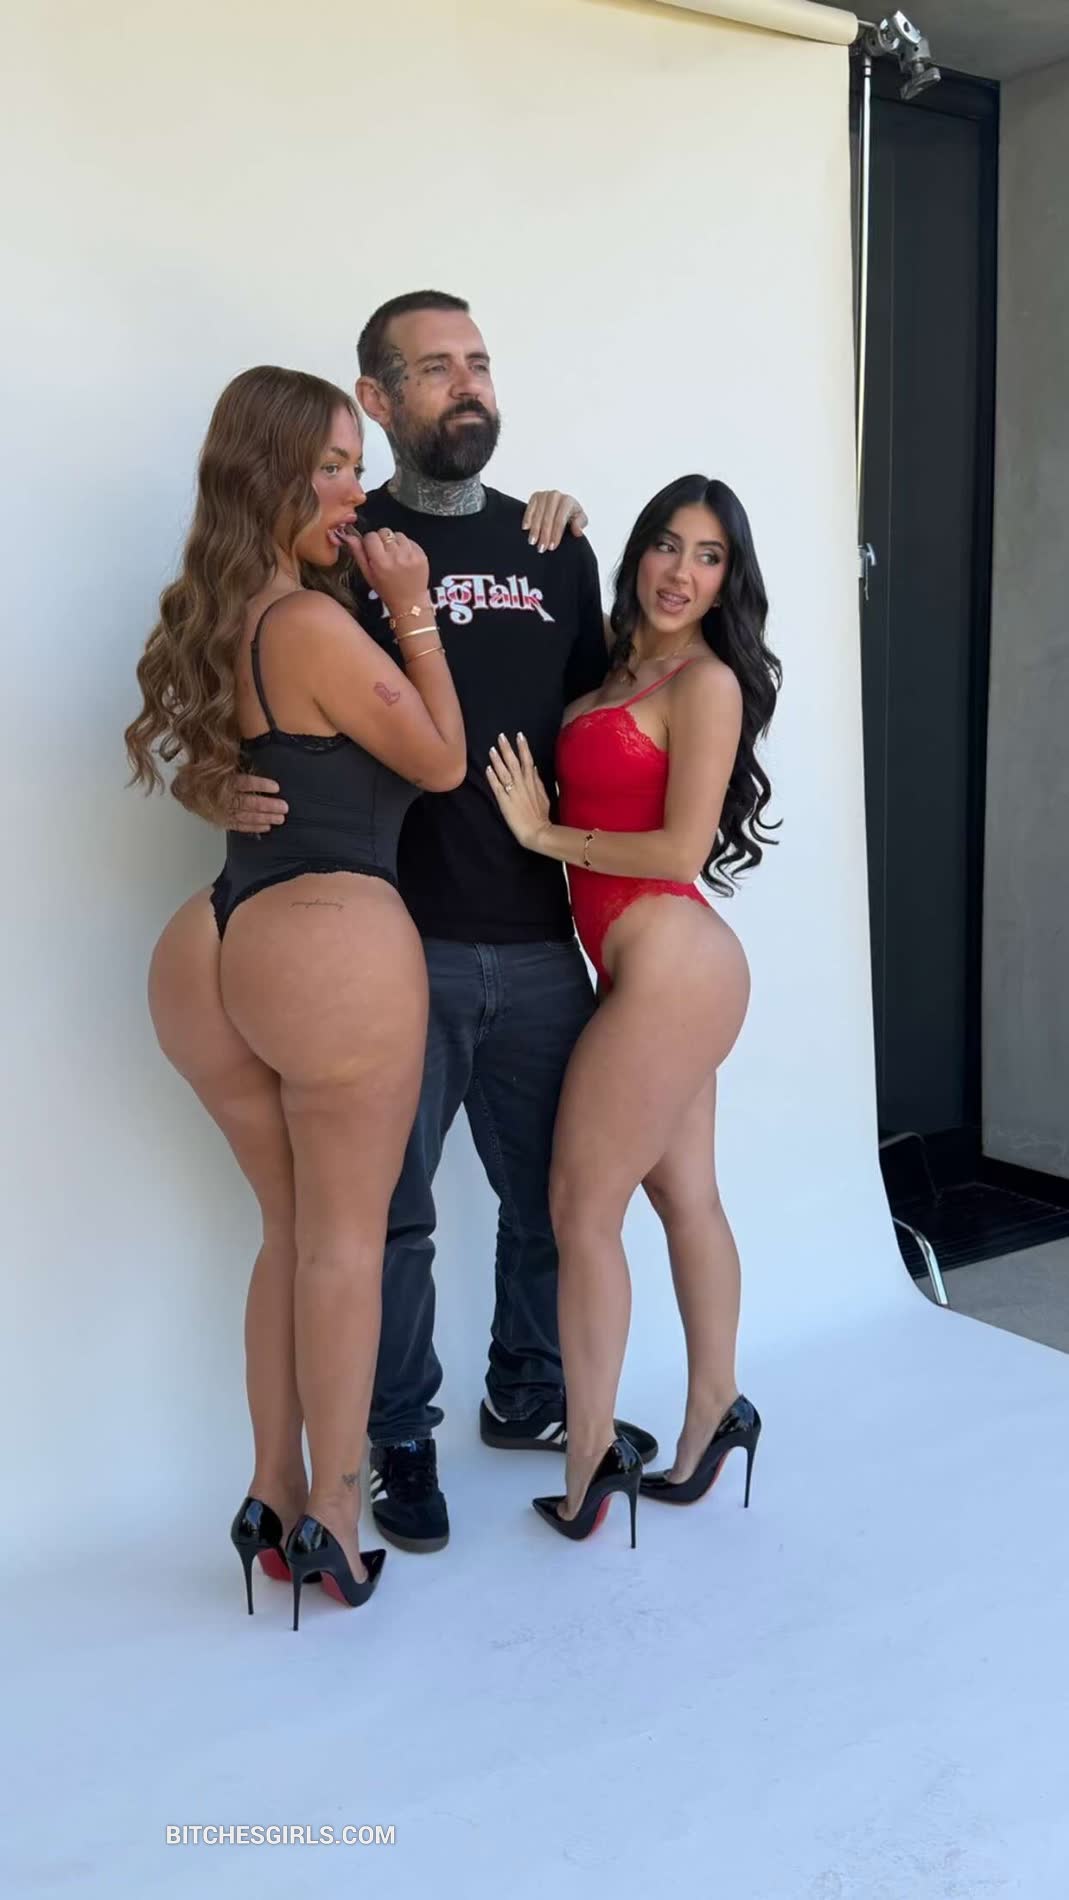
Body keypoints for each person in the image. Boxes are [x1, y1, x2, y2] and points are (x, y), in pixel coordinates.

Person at [230, 292, 657, 1552]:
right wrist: (212, 779)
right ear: (375, 399)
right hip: (390, 947)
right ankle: (398, 1440)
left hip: (537, 937)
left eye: (478, 361)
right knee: (390, 1217)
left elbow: (606, 724)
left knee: (560, 1197)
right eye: (433, 368)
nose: (466, 383)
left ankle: (528, 1393)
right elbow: (244, 684)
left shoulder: (551, 545)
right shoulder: (337, 544)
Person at [124, 365, 467, 1624]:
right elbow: (440, 760)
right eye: (329, 465)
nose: (353, 489)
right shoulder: (316, 627)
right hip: (326, 940)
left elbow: (214, 763)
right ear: (266, 473)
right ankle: (335, 1512)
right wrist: (413, 611)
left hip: (212, 937)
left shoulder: (221, 614)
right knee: (344, 1243)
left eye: (354, 464)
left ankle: (268, 1495)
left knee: (288, 1232)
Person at [486, 474, 781, 1542]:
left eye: (708, 557)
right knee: (684, 1194)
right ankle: (716, 1411)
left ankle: (589, 1454)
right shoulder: (617, 665)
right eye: (666, 544)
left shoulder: (706, 683)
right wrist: (557, 511)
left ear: (728, 581)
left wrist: (542, 836)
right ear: (639, 553)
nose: (680, 572)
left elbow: (678, 850)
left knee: (580, 1210)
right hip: (650, 972)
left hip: (673, 965)